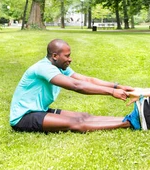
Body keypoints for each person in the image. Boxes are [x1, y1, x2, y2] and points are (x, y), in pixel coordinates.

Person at [10, 39, 139, 133]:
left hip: (40, 110)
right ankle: (130, 123)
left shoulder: (59, 67)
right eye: (67, 56)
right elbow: (76, 85)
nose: (70, 59)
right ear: (55, 56)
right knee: (77, 123)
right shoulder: (43, 68)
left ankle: (129, 118)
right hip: (24, 117)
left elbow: (87, 79)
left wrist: (117, 86)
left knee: (84, 116)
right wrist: (111, 92)